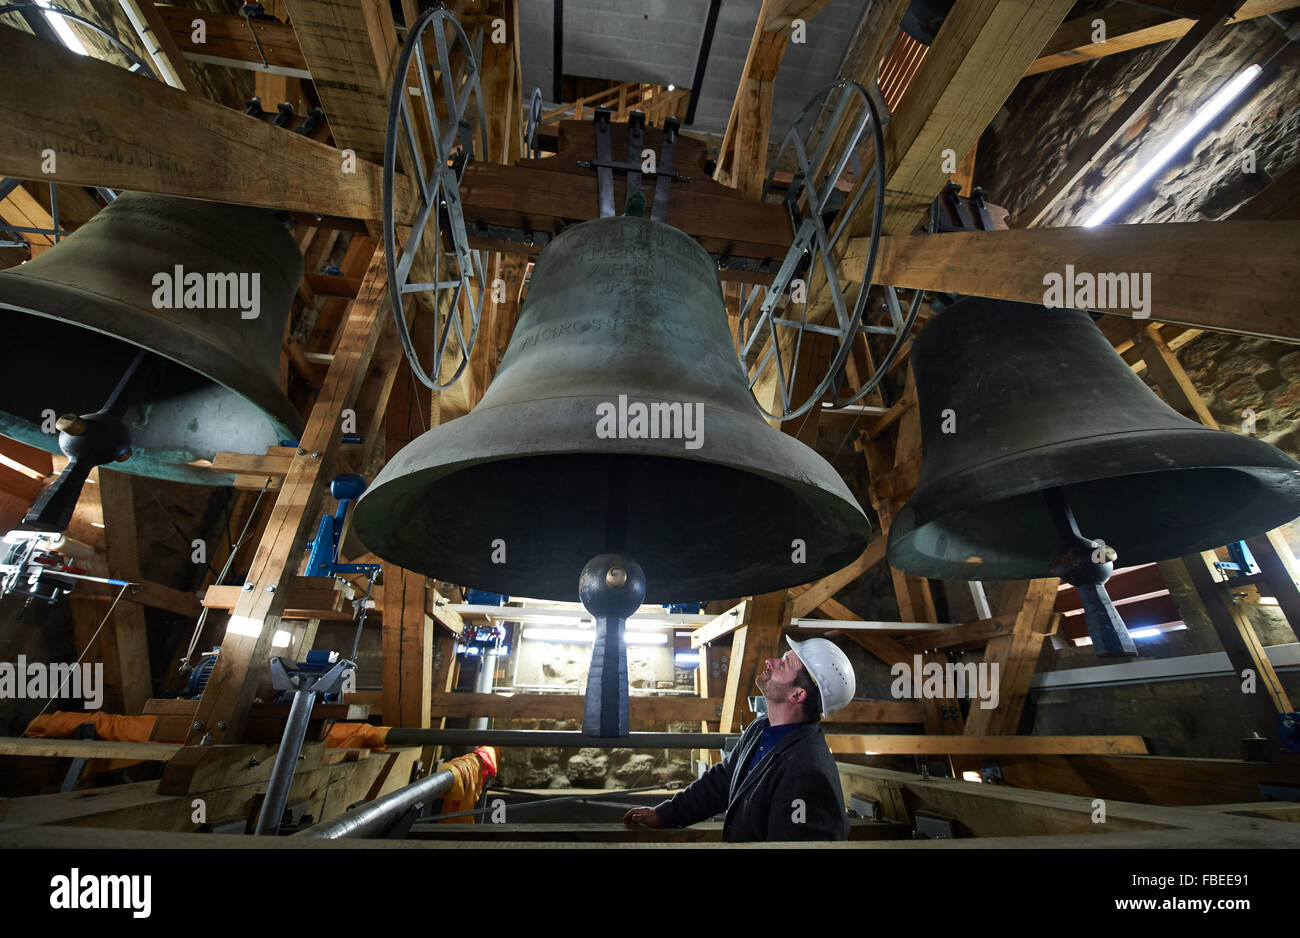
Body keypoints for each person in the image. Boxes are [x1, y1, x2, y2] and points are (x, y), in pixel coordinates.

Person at [623, 636, 855, 842]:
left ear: (797, 694)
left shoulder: (806, 770)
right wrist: (666, 814)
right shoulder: (762, 728)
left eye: (783, 664)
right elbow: (723, 780)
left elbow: (790, 844)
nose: (771, 662)